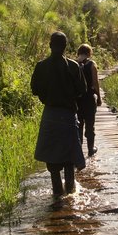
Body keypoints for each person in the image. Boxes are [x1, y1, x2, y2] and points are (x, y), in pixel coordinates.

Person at [31, 32, 87, 196]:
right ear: (65, 47)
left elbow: (35, 90)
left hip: (50, 115)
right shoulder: (73, 66)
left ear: (50, 45)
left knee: (53, 161)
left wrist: (47, 95)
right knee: (69, 157)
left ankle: (57, 198)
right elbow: (82, 90)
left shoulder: (41, 66)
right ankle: (70, 193)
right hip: (69, 115)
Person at [76, 43, 102, 157]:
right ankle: (90, 149)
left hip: (77, 100)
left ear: (78, 52)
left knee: (79, 125)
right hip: (89, 99)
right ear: (89, 53)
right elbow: (95, 83)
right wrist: (99, 98)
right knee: (90, 125)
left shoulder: (73, 64)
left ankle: (79, 152)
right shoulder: (91, 64)